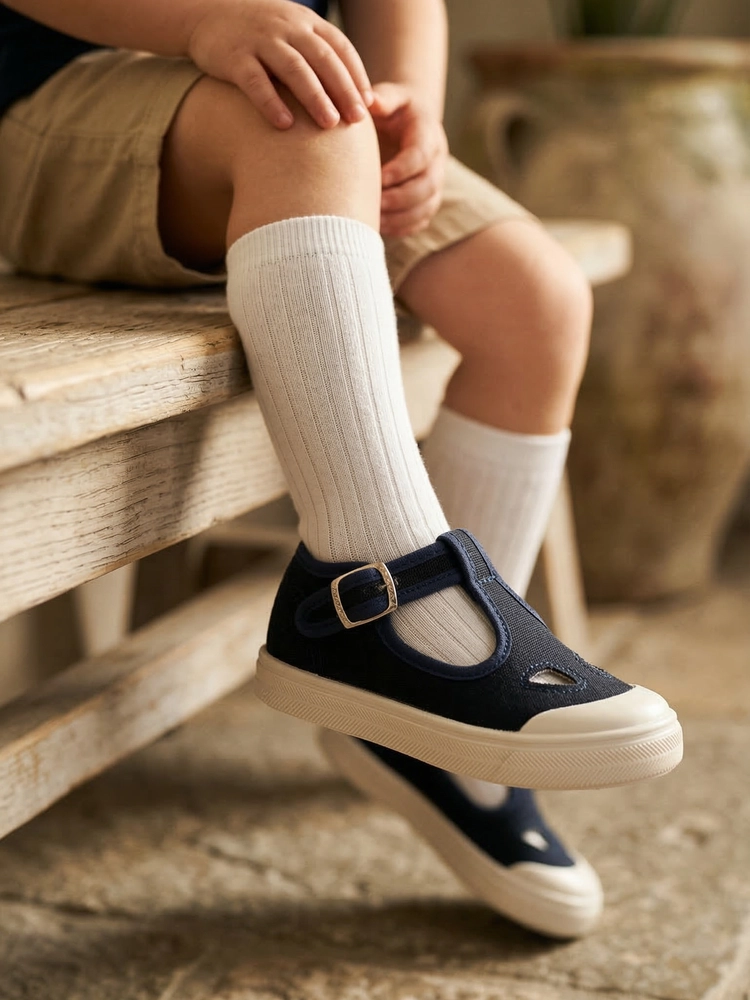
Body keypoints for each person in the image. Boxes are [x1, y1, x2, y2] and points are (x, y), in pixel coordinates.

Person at [0, 0, 682, 939]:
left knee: (537, 299)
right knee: (303, 119)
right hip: (65, 93)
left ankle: (432, 745)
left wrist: (417, 112)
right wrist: (201, 20)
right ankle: (381, 600)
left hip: (323, 126)